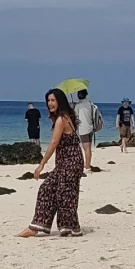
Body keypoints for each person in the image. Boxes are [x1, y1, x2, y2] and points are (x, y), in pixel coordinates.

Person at [19, 88, 85, 236]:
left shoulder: (62, 119)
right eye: (48, 101)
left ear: (60, 101)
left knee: (64, 193)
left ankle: (70, 228)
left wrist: (41, 165)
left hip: (71, 162)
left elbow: (54, 143)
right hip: (70, 161)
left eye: (53, 100)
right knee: (49, 189)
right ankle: (38, 226)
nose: (50, 103)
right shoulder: (65, 116)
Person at [73, 87, 104, 173]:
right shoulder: (90, 104)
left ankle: (87, 166)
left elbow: (76, 118)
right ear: (86, 95)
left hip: (83, 129)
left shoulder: (78, 105)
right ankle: (87, 165)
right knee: (88, 148)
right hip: (91, 128)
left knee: (86, 149)